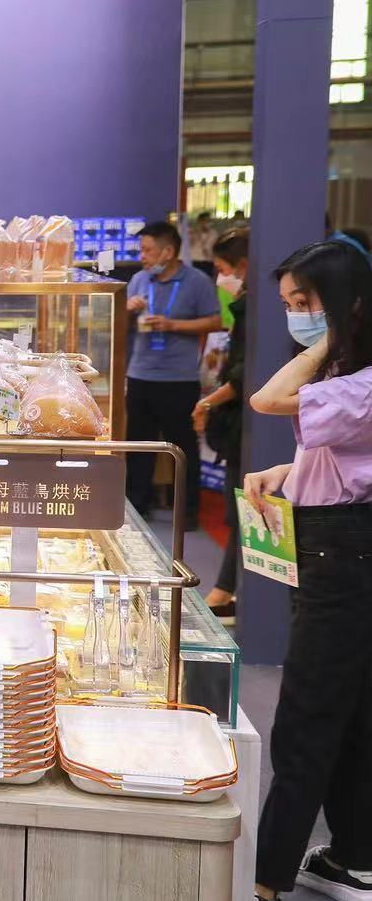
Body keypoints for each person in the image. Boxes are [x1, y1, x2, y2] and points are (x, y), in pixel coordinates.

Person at [244, 239, 372, 901]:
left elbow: (266, 398)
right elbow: (344, 457)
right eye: (289, 305)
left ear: (349, 302)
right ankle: (353, 857)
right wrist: (285, 474)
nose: (297, 318)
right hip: (337, 540)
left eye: (305, 303)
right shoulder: (350, 376)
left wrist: (332, 337)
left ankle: (264, 892)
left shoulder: (359, 376)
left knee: (305, 721)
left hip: (343, 554)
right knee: (350, 711)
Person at [125, 220, 222, 528]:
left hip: (179, 379)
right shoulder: (139, 279)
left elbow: (215, 321)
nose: (142, 256)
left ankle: (187, 511)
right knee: (138, 445)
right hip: (140, 375)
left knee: (182, 447)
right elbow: (121, 323)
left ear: (168, 252)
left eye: (147, 250)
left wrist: (172, 325)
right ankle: (137, 507)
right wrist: (128, 309)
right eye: (141, 250)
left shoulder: (197, 281)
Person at [194, 228, 249, 615]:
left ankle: (227, 590)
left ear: (242, 265)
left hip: (245, 424)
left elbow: (245, 372)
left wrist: (209, 402)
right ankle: (228, 588)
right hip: (238, 422)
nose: (220, 278)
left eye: (223, 269)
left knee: (243, 509)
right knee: (238, 510)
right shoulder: (244, 305)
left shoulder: (253, 310)